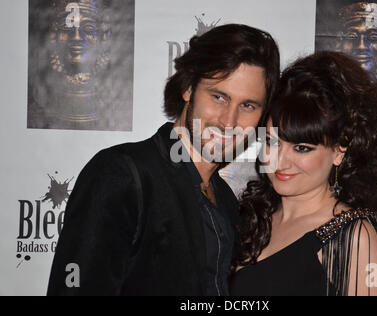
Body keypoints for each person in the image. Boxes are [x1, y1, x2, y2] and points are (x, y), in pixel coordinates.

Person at [47, 24, 280, 296]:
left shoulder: (225, 198)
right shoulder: (122, 174)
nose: (229, 120)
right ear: (188, 89)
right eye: (219, 97)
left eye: (248, 105)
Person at [230, 51, 377, 296]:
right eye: (272, 142)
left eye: (301, 148)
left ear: (339, 150)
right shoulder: (252, 220)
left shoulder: (354, 236)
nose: (280, 161)